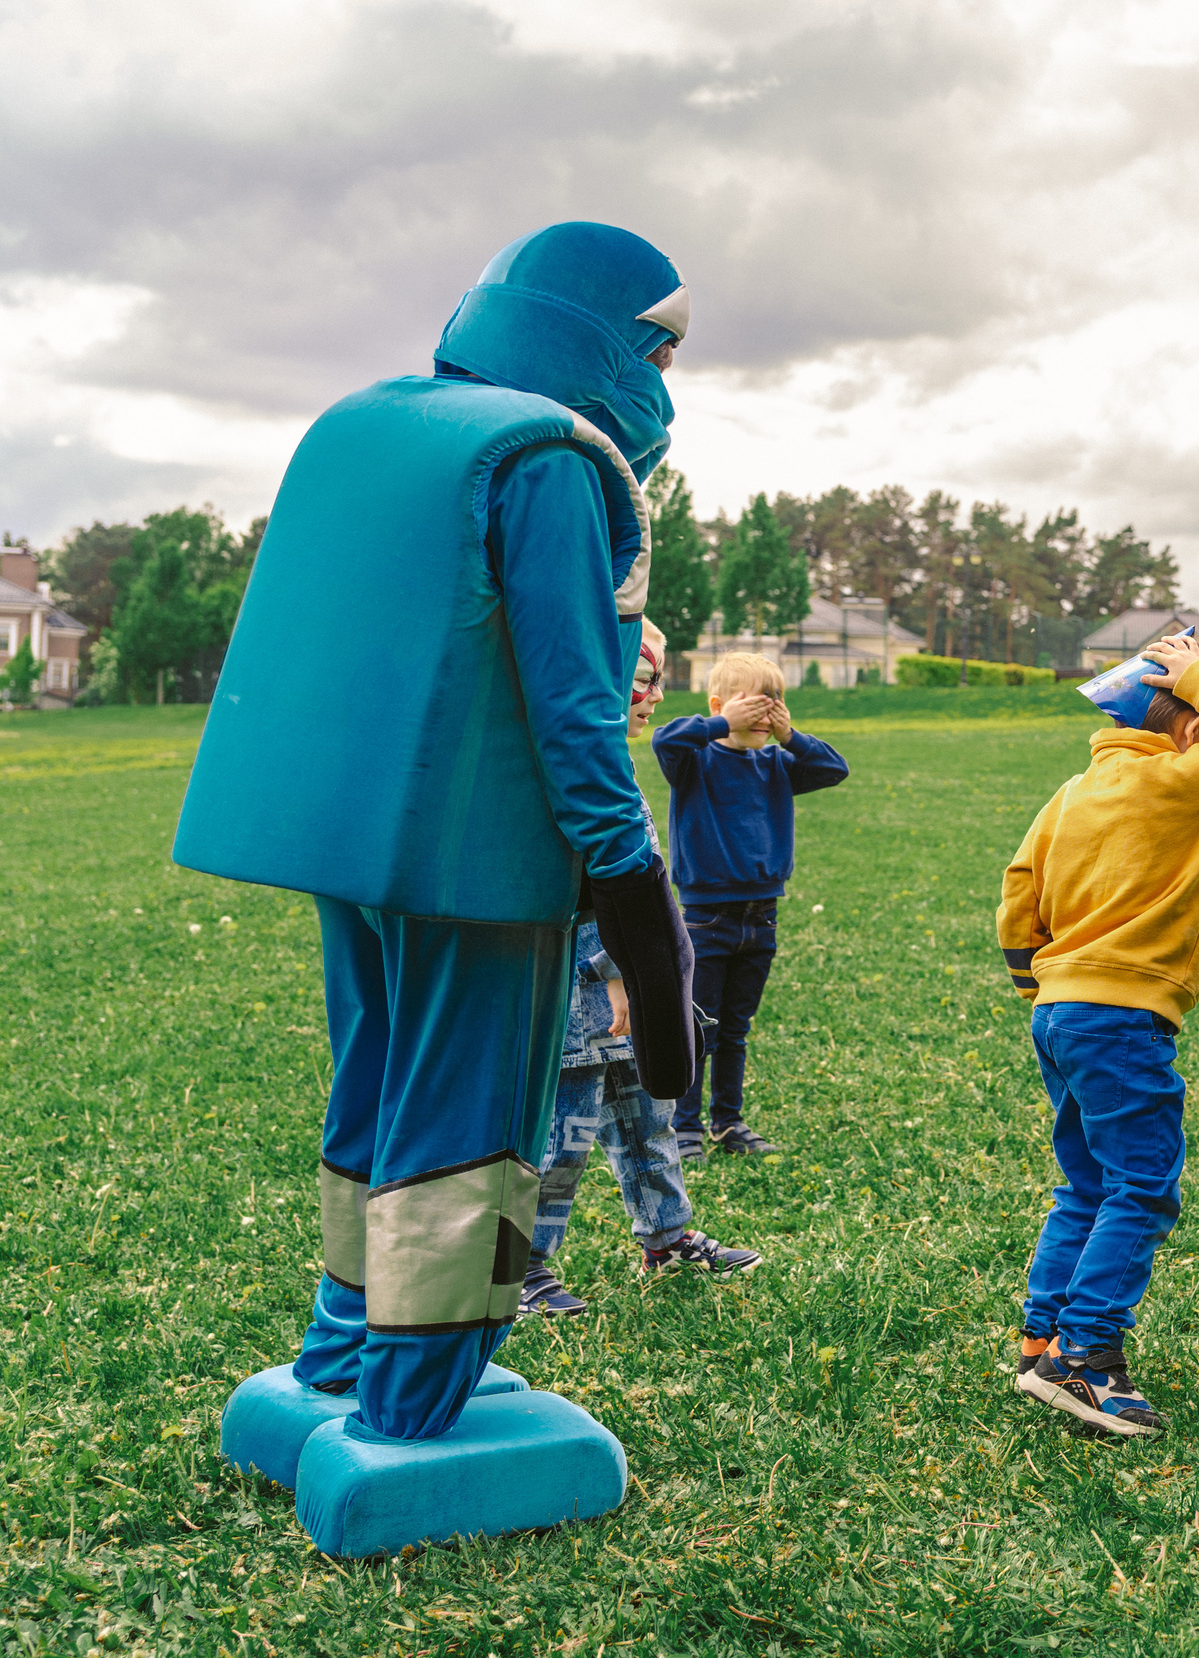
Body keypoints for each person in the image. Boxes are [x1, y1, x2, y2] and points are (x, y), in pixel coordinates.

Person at [174, 222, 698, 1549]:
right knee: (474, 1121)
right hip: (487, 857)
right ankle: (416, 1406)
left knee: (379, 1082)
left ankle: (342, 1353)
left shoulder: (376, 424)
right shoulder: (551, 458)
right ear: (591, 333)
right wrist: (638, 899)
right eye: (659, 343)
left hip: (355, 844)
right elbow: (574, 716)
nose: (665, 376)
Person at [999, 632, 1199, 1437]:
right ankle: (1086, 1358)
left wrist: (1047, 987)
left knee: (1086, 1181)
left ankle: (1039, 1339)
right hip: (1125, 1015)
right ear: (1193, 724)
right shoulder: (1191, 778)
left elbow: (1016, 900)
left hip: (1056, 1010)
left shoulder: (1069, 793)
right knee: (1140, 1185)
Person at [520, 622, 762, 1317]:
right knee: (561, 1137)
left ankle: (667, 1235)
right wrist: (613, 968)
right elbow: (582, 886)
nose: (655, 693)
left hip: (635, 987)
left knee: (646, 1119)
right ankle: (522, 1269)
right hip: (582, 991)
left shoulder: (610, 758)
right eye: (642, 679)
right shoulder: (570, 767)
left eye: (658, 678)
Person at [652, 651, 849, 1158]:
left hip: (761, 916)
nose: (766, 713)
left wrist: (790, 736)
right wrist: (720, 725)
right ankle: (685, 1125)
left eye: (776, 703)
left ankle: (727, 1121)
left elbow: (833, 769)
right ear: (720, 705)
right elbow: (664, 738)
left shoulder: (780, 763)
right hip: (706, 917)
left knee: (736, 1028)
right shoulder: (694, 760)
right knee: (699, 1026)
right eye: (755, 704)